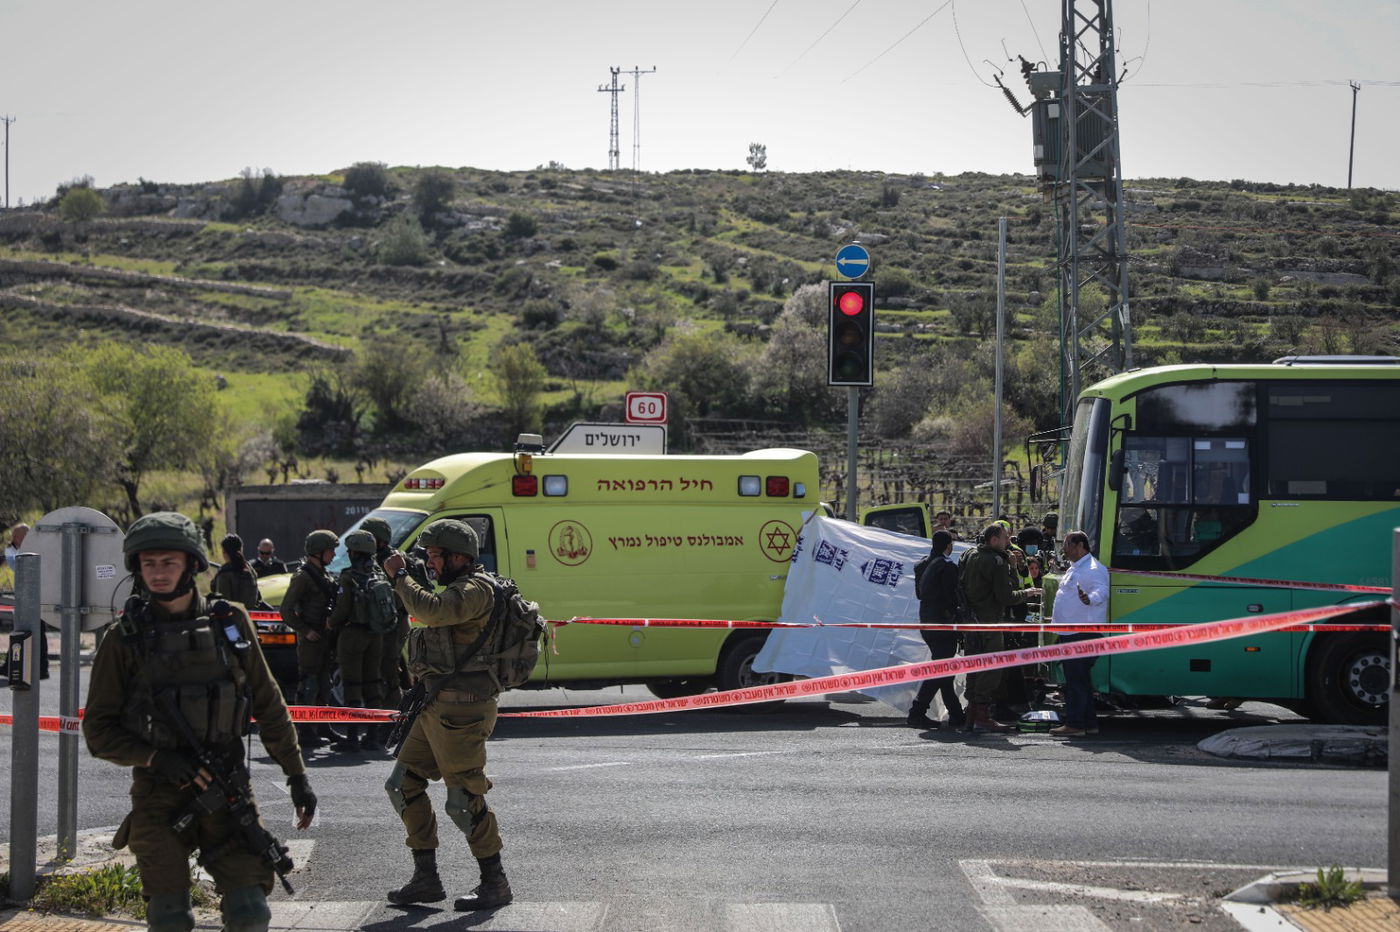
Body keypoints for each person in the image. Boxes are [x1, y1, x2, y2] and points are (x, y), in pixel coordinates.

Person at [82, 512, 316, 932]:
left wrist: (296, 775)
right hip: (159, 794)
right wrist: (156, 759)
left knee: (250, 912)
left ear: (191, 564)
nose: (158, 573)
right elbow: (98, 731)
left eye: (168, 562)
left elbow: (269, 703)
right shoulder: (124, 639)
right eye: (149, 563)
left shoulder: (230, 622)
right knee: (170, 917)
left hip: (227, 787)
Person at [382, 518, 513, 912]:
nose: (431, 563)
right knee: (403, 784)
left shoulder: (475, 590)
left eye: (436, 555)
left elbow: (434, 611)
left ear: (459, 557)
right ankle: (426, 878)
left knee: (463, 798)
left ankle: (495, 881)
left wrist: (401, 577)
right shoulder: (457, 587)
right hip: (435, 703)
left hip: (463, 710)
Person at [959, 523, 1041, 733]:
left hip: (970, 622)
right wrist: (1025, 589)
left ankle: (971, 715)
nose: (1008, 542)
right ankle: (982, 715)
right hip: (990, 622)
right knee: (991, 669)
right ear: (994, 540)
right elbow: (1007, 596)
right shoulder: (995, 561)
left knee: (973, 668)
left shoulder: (969, 555)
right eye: (1005, 538)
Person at [361, 516, 430, 723]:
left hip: (394, 623)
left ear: (380, 539)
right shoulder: (378, 559)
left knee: (388, 670)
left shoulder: (391, 561)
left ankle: (394, 718)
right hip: (386, 623)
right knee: (394, 668)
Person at [325, 530, 386, 752]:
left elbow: (343, 609)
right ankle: (373, 736)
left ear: (354, 552)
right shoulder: (378, 573)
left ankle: (352, 737)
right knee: (373, 682)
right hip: (376, 635)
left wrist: (330, 622)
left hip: (353, 635)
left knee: (352, 684)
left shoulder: (349, 576)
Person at [280, 530, 340, 749]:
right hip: (311, 638)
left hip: (324, 637)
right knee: (308, 684)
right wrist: (305, 631)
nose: (334, 554)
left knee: (324, 683)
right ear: (318, 552)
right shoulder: (303, 577)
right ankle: (304, 730)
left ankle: (323, 725)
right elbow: (286, 610)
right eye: (330, 550)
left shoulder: (324, 574)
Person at [1049, 530, 1109, 737]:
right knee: (1080, 680)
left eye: (1067, 544)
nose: (1064, 549)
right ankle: (1089, 724)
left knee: (1076, 682)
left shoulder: (1093, 568)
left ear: (1080, 546)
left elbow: (1102, 591)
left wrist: (1090, 599)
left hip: (1082, 633)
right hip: (1071, 632)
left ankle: (1075, 724)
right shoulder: (1076, 567)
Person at [906, 530, 965, 730]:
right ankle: (917, 712)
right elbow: (952, 598)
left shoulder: (921, 565)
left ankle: (956, 714)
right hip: (943, 623)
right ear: (949, 546)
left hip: (926, 621)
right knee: (941, 668)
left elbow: (919, 594)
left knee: (943, 668)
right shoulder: (948, 567)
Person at [210, 534, 261, 609]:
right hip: (251, 614)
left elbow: (223, 603)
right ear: (241, 549)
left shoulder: (224, 573)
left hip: (233, 615)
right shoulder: (250, 569)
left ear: (224, 551)